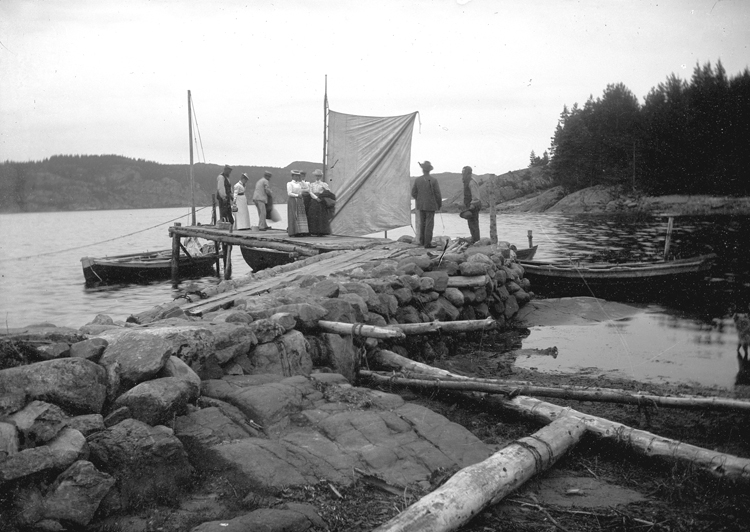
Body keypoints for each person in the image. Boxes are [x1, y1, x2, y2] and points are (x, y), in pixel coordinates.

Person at [411, 160, 442, 248]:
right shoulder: (433, 180)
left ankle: (422, 242)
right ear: (429, 170)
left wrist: (419, 199)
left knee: (422, 223)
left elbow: (413, 193)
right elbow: (438, 194)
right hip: (431, 205)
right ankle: (427, 243)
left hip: (421, 205)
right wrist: (439, 204)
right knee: (429, 224)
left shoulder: (417, 180)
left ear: (423, 170)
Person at [307, 169, 336, 235]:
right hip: (314, 201)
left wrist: (322, 194)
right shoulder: (312, 184)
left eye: (319, 176)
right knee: (313, 215)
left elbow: (328, 192)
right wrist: (316, 198)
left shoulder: (324, 184)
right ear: (315, 176)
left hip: (321, 201)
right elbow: (310, 192)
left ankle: (321, 231)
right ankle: (314, 231)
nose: (317, 177)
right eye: (316, 176)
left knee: (321, 216)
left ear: (321, 176)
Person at [462, 165, 482, 243]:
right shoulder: (467, 181)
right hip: (470, 205)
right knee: (471, 223)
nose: (462, 174)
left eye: (464, 173)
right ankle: (474, 238)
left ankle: (476, 240)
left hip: (473, 205)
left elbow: (475, 196)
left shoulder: (471, 182)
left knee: (474, 224)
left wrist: (472, 205)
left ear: (467, 173)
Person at [287, 170, 309, 236]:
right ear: (292, 176)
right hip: (293, 200)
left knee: (300, 215)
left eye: (298, 176)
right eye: (295, 176)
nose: (297, 177)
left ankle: (301, 231)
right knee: (294, 215)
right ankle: (294, 231)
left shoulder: (299, 184)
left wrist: (302, 180)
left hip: (299, 200)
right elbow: (289, 193)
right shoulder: (290, 183)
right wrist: (297, 195)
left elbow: (307, 188)